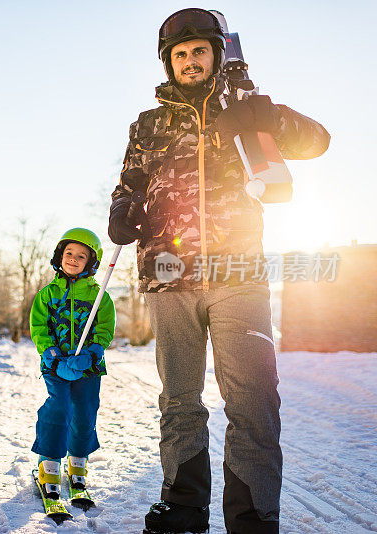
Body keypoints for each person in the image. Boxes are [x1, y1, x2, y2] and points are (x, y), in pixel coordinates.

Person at [108, 8, 330, 534]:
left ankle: (253, 517)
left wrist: (264, 116)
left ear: (216, 54)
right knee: (180, 399)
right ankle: (183, 510)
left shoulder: (247, 107)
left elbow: (318, 140)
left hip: (239, 276)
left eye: (198, 51)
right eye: (179, 55)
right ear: (168, 63)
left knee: (253, 399)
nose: (189, 61)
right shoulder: (148, 124)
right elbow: (128, 182)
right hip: (169, 276)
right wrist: (121, 209)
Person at [29, 228, 115, 498]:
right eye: (69, 253)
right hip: (56, 365)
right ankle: (49, 461)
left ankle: (78, 461)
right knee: (59, 408)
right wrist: (51, 354)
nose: (74, 259)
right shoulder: (47, 294)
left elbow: (105, 328)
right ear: (59, 255)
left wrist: (92, 353)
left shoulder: (100, 296)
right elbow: (39, 327)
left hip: (87, 367)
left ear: (91, 262)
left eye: (82, 255)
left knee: (85, 412)